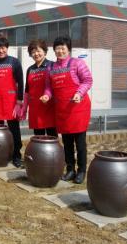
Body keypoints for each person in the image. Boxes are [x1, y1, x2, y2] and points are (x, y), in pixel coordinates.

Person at [40, 36, 93, 184]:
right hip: (62, 110)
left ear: (68, 49)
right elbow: (48, 87)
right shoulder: (50, 68)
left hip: (78, 109)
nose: (60, 51)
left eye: (63, 48)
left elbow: (87, 80)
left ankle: (82, 171)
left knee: (80, 143)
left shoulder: (77, 63)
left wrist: (79, 93)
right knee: (67, 142)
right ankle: (70, 169)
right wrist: (46, 95)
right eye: (57, 48)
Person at [0, 37, 24, 167]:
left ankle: (16, 155)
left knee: (14, 129)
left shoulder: (15, 62)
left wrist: (19, 101)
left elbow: (20, 81)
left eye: (3, 48)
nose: (1, 50)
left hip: (12, 101)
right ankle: (0, 154)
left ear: (7, 47)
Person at [18, 39, 57, 136]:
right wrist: (24, 108)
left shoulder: (52, 65)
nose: (36, 54)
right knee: (38, 137)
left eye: (39, 51)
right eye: (33, 52)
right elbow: (27, 90)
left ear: (45, 51)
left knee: (52, 136)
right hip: (35, 108)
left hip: (49, 107)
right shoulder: (30, 69)